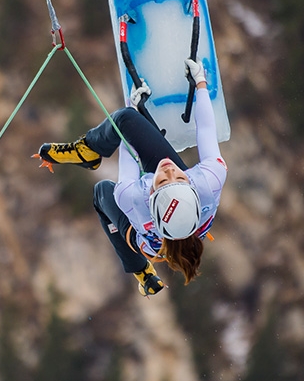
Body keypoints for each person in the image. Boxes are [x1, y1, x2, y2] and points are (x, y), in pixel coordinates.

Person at [35, 58, 227, 296]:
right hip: (180, 210)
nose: (168, 169)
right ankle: (88, 150)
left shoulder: (132, 198)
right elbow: (207, 130)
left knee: (102, 192)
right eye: (179, 177)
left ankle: (141, 271)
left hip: (145, 241)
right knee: (126, 119)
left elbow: (130, 151)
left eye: (162, 181)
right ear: (191, 184)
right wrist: (200, 82)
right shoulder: (209, 180)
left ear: (151, 192)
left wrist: (133, 107)